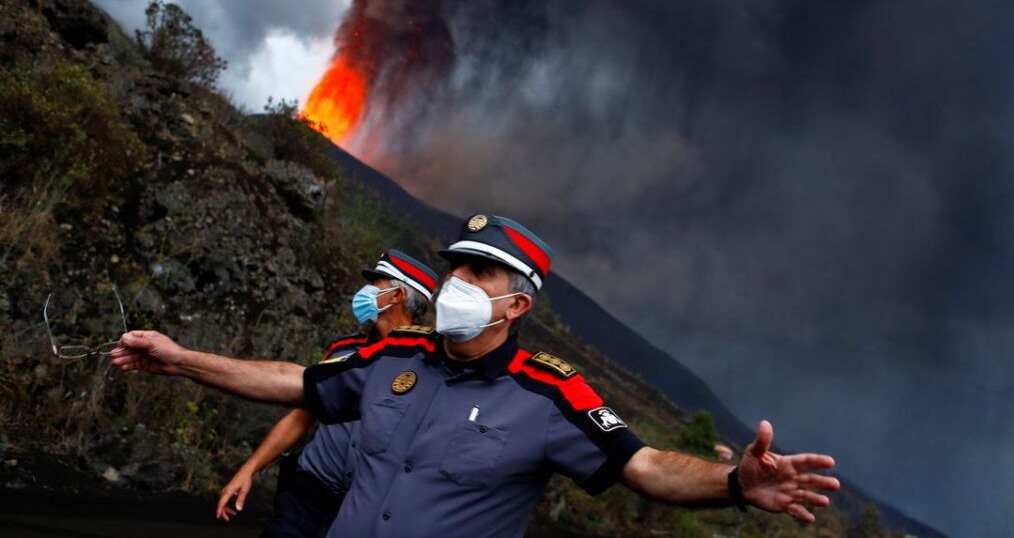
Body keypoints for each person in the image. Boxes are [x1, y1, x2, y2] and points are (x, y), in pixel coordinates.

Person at [111, 214, 840, 537]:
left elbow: (642, 464)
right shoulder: (392, 359)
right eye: (452, 264)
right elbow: (295, 383)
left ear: (516, 300)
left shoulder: (550, 391)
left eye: (477, 270)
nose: (453, 279)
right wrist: (180, 358)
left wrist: (737, 485)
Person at [215, 249, 439, 538]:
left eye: (378, 283)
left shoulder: (429, 366)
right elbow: (302, 414)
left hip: (363, 510)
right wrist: (249, 469)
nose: (366, 291)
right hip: (307, 496)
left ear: (396, 295)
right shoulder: (344, 350)